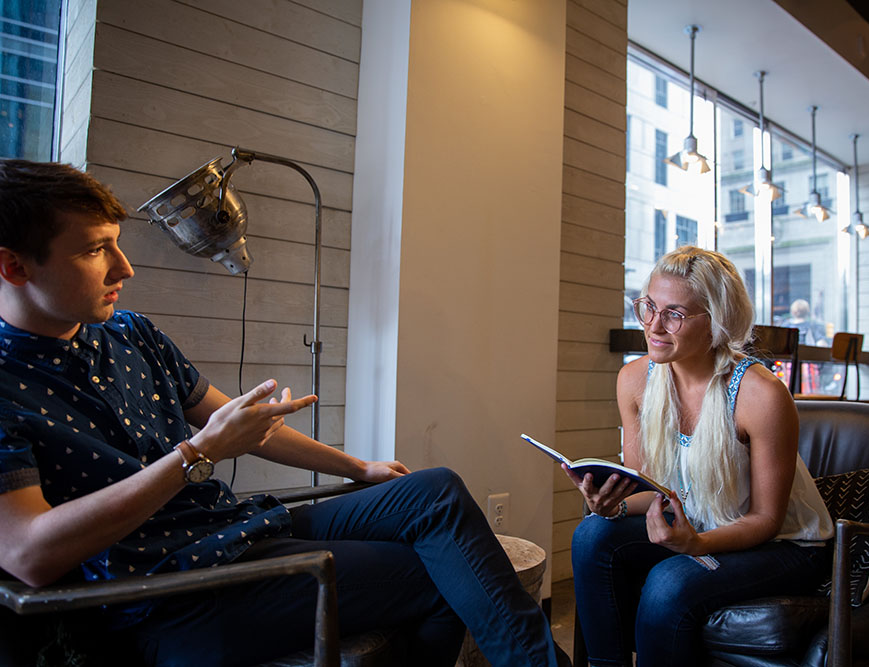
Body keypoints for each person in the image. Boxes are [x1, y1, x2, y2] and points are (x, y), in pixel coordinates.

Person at [0, 159, 568, 667]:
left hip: (234, 531)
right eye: (96, 249)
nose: (124, 268)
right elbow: (29, 554)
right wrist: (196, 455)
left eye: (116, 244)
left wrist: (358, 469)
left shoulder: (133, 334)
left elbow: (249, 429)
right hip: (169, 594)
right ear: (14, 266)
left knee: (434, 491)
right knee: (446, 576)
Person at [567, 246, 833, 666]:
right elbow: (650, 488)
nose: (654, 326)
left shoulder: (760, 396)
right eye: (649, 307)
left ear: (717, 322)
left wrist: (696, 544)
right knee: (591, 534)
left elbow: (766, 519)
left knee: (669, 582)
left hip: (787, 545)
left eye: (674, 314)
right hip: (699, 520)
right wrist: (614, 504)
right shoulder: (633, 381)